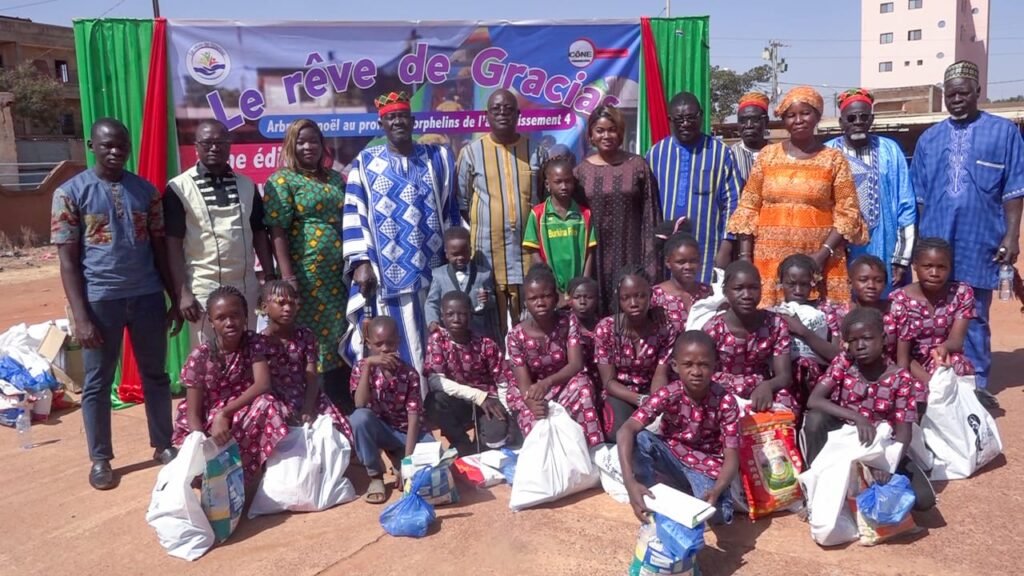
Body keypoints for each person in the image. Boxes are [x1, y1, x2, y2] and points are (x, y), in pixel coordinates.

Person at [51, 118, 178, 490]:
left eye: (121, 145)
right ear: (92, 146)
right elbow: (67, 262)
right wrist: (81, 316)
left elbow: (158, 249)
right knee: (97, 382)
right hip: (100, 302)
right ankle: (101, 459)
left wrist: (172, 296)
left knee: (155, 375)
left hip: (147, 297)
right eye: (107, 145)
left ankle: (163, 444)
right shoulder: (70, 194)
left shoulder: (145, 191)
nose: (115, 151)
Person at [910, 60, 1024, 409]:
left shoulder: (1004, 132)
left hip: (980, 240)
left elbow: (1014, 189)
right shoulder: (930, 138)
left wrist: (1012, 236)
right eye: (950, 94)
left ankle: (976, 385)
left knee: (974, 313)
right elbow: (920, 197)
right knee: (934, 313)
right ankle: (938, 381)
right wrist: (917, 242)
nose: (956, 99)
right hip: (936, 242)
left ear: (977, 93)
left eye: (963, 93)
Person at [343, 91, 462, 381]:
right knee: (396, 338)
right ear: (381, 124)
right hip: (387, 274)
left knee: (436, 335)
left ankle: (438, 402)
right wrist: (360, 262)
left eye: (402, 117)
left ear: (413, 121)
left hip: (433, 269)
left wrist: (455, 259)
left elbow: (451, 209)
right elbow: (353, 211)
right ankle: (402, 403)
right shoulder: (366, 162)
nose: (397, 122)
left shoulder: (438, 157)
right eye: (390, 118)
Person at [728, 86, 867, 308]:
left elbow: (847, 212)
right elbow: (748, 207)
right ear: (783, 121)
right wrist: (746, 258)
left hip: (819, 263)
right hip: (769, 262)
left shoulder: (834, 159)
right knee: (771, 326)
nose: (798, 120)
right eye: (791, 115)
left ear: (817, 116)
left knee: (817, 326)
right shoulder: (767, 156)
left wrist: (821, 256)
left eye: (805, 113)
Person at [804, 307, 935, 510]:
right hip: (844, 441)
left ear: (883, 339)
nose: (860, 346)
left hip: (881, 446)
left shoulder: (900, 379)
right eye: (853, 341)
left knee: (924, 500)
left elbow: (903, 434)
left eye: (866, 338)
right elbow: (814, 400)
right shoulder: (845, 363)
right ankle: (818, 486)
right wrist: (857, 417)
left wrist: (886, 465)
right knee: (815, 419)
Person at [263, 119, 350, 405]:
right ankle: (311, 401)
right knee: (311, 338)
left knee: (338, 333)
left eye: (313, 141)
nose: (308, 147)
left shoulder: (335, 179)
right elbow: (277, 229)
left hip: (338, 276)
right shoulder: (283, 180)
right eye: (301, 142)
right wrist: (288, 277)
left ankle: (341, 402)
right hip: (305, 276)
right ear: (291, 145)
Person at [164, 119, 275, 344]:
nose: (214, 147)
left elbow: (259, 234)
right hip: (203, 290)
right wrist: (182, 293)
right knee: (208, 360)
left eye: (220, 142)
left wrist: (270, 277)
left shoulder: (247, 184)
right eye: (207, 143)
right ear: (196, 147)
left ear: (229, 145)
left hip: (245, 288)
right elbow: (172, 245)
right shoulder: (178, 188)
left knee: (246, 355)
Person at [617, 330, 740, 525]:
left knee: (718, 516)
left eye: (704, 365)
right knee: (640, 438)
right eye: (688, 365)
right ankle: (646, 492)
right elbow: (626, 429)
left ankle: (688, 493)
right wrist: (629, 482)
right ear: (675, 366)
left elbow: (732, 454)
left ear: (715, 366)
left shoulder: (726, 401)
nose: (696, 372)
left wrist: (717, 489)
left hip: (705, 467)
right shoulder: (669, 393)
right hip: (671, 457)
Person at [171, 287, 290, 486]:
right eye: (221, 318)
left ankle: (245, 472)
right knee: (205, 468)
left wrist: (224, 414)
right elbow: (192, 414)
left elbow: (263, 384)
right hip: (207, 425)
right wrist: (204, 446)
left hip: (239, 413)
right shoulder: (200, 357)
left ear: (245, 316)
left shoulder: (253, 343)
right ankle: (215, 473)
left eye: (235, 316)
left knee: (268, 404)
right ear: (211, 322)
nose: (229, 323)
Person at [458, 89, 547, 338]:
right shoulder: (471, 153)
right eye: (496, 109)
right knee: (488, 325)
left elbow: (542, 202)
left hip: (526, 254)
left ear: (518, 114)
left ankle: (529, 374)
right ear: (486, 115)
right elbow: (462, 202)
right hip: (487, 256)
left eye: (508, 109)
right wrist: (489, 222)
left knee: (529, 324)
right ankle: (495, 375)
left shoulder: (535, 151)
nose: (502, 114)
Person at [824, 88, 917, 296]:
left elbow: (906, 205)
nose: (858, 122)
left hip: (886, 246)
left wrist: (902, 258)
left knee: (887, 309)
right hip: (841, 249)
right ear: (841, 122)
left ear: (872, 120)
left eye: (863, 117)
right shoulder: (827, 154)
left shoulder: (890, 150)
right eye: (851, 117)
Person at [646, 92, 741, 285]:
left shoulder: (720, 153)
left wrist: (726, 247)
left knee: (705, 303)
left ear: (701, 115)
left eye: (691, 117)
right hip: (665, 252)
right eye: (679, 119)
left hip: (707, 249)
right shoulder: (655, 154)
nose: (685, 123)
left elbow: (734, 203)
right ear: (669, 120)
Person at [504, 265, 604, 447]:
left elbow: (576, 365)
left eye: (546, 296)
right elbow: (524, 383)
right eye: (533, 298)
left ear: (556, 298)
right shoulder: (515, 336)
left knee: (583, 385)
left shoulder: (568, 321)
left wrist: (546, 383)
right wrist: (532, 401)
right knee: (540, 432)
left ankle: (594, 450)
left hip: (562, 384)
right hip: (531, 391)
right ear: (525, 302)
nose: (540, 302)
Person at [575, 104, 659, 314]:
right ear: (591, 135)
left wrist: (650, 261)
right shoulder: (580, 172)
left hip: (631, 251)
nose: (606, 135)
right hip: (595, 256)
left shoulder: (637, 166)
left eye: (612, 130)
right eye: (600, 130)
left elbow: (651, 215)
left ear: (621, 132)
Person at [349, 316, 435, 504]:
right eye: (379, 344)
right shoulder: (361, 368)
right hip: (380, 430)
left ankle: (399, 458)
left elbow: (413, 419)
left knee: (433, 455)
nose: (385, 349)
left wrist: (408, 464)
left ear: (399, 341)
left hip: (406, 433)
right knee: (358, 418)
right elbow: (360, 404)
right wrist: (368, 365)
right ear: (369, 344)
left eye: (390, 343)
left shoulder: (409, 373)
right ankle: (376, 476)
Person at [259, 280, 353, 440]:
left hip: (306, 395)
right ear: (264, 307)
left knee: (336, 431)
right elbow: (263, 384)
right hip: (277, 399)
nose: (287, 308)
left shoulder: (305, 335)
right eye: (281, 303)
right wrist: (283, 408)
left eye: (292, 303)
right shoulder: (260, 342)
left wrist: (308, 408)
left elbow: (312, 376)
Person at [703, 261, 797, 415]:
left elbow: (785, 376)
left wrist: (768, 386)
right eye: (738, 289)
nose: (746, 295)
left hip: (761, 386)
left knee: (786, 403)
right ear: (725, 291)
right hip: (722, 388)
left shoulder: (775, 324)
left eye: (753, 288)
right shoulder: (713, 328)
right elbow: (704, 373)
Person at [424, 291, 510, 456]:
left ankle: (482, 440)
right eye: (450, 314)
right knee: (433, 402)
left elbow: (503, 381)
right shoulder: (437, 340)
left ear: (470, 316)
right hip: (460, 401)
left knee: (495, 439)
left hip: (488, 402)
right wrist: (477, 396)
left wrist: (506, 412)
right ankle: (462, 444)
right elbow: (435, 381)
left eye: (462, 314)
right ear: (442, 316)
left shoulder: (485, 344)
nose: (456, 319)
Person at [595, 270, 676, 440]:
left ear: (650, 296)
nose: (633, 303)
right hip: (620, 392)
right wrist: (640, 400)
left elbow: (660, 373)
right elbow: (609, 382)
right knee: (617, 433)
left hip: (652, 390)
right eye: (626, 298)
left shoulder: (664, 329)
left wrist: (655, 402)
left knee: (665, 431)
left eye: (640, 296)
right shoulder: (606, 329)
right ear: (619, 299)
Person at [891, 238, 975, 395]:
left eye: (941, 267)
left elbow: (956, 341)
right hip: (908, 363)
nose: (934, 273)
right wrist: (929, 381)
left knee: (958, 364)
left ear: (950, 268)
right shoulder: (899, 300)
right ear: (914, 265)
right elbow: (900, 354)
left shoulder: (961, 293)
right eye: (927, 266)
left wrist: (943, 349)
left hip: (942, 358)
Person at [522, 157, 597, 299]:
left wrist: (583, 285)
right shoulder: (537, 214)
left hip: (578, 290)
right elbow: (533, 251)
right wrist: (552, 286)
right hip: (551, 290)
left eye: (568, 181)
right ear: (547, 184)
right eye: (558, 182)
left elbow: (590, 253)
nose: (564, 186)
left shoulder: (584, 214)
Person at [774, 254, 835, 403]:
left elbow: (837, 355)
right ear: (781, 283)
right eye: (791, 284)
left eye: (804, 284)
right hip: (785, 383)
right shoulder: (774, 313)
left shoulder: (826, 312)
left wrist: (802, 331)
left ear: (812, 284)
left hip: (819, 383)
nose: (798, 290)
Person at [425, 227, 498, 341]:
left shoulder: (483, 274)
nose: (460, 258)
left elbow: (493, 302)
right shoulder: (439, 275)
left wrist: (488, 300)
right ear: (446, 253)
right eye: (455, 254)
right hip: (450, 332)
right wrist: (432, 321)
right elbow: (431, 302)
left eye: (464, 253)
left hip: (477, 331)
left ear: (471, 250)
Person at [652, 227, 714, 335]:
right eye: (681, 262)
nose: (688, 267)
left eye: (693, 261)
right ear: (668, 262)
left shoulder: (708, 293)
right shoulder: (655, 296)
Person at [731, 91, 771, 183]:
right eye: (742, 120)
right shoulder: (730, 156)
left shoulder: (778, 154)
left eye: (754, 119)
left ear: (766, 121)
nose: (748, 125)